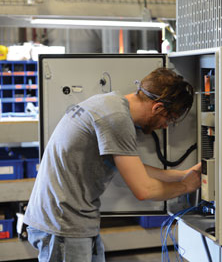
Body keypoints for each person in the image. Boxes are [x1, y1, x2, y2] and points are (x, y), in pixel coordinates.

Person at [23, 67, 201, 262]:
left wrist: (183, 174)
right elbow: (144, 190)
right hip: (62, 224)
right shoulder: (116, 119)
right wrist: (185, 186)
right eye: (169, 119)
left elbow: (135, 169)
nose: (165, 126)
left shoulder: (110, 103)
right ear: (157, 108)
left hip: (71, 220)